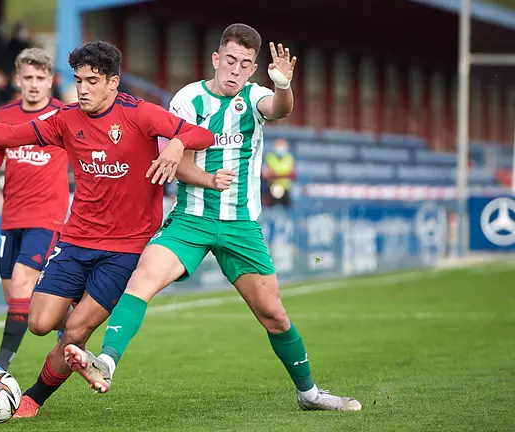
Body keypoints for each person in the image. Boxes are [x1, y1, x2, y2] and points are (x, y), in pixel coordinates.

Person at [64, 24, 362, 412]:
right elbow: (178, 163)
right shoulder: (188, 100)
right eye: (231, 61)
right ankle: (106, 362)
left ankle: (309, 394)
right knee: (143, 279)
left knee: (274, 315)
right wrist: (207, 179)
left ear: (254, 69)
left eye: (245, 65)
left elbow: (280, 109)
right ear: (216, 60)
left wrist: (284, 85)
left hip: (240, 226)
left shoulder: (256, 97)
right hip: (191, 219)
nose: (236, 71)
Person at [0, 41, 215, 418]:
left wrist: (176, 143)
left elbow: (202, 136)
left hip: (125, 249)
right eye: (78, 80)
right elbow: (9, 136)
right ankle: (80, 316)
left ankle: (33, 398)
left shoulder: (140, 114)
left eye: (92, 81)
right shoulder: (65, 119)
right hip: (75, 240)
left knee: (74, 334)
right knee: (40, 323)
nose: (83, 89)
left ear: (113, 82)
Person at [0, 48, 68, 371]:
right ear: (17, 79)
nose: (33, 84)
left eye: (40, 78)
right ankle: (70, 326)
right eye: (28, 78)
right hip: (11, 214)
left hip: (47, 216)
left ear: (50, 81)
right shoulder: (5, 114)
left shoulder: (64, 114)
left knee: (21, 284)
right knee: (18, 299)